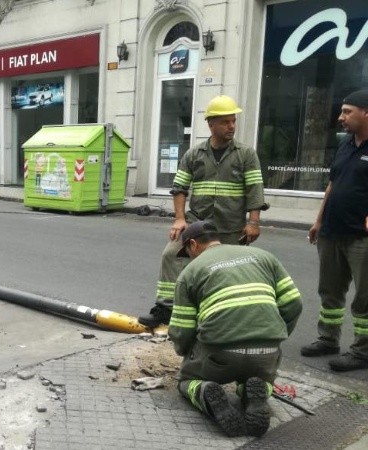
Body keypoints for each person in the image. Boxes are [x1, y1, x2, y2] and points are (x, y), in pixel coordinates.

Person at [138, 95, 269, 328]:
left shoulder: (245, 154)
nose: (231, 126)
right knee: (171, 255)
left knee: (226, 271)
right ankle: (166, 307)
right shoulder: (194, 154)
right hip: (197, 224)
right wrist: (179, 219)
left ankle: (222, 317)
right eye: (226, 122)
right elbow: (179, 188)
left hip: (230, 227)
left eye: (233, 121)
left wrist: (254, 222)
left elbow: (254, 189)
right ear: (211, 125)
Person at [169, 221, 302, 437]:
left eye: (187, 252)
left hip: (220, 356)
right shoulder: (264, 256)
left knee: (186, 381)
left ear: (193, 244)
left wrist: (187, 354)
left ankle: (205, 392)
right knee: (263, 379)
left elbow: (182, 329)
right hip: (266, 352)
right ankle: (254, 391)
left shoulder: (190, 272)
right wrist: (274, 335)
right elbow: (294, 303)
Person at [302, 89, 368, 372]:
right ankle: (328, 339)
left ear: (365, 113)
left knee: (365, 297)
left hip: (360, 236)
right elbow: (331, 185)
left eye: (347, 112)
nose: (340, 117)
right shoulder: (344, 146)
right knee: (330, 291)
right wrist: (319, 220)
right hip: (331, 231)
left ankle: (362, 351)